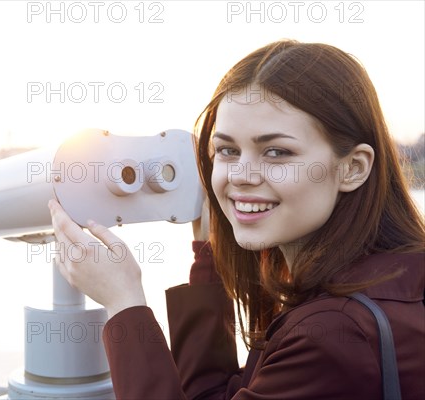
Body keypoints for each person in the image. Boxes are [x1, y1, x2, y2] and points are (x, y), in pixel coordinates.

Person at [48, 40, 425, 399]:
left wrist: (123, 302)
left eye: (276, 152)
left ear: (352, 169)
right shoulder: (391, 280)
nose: (240, 175)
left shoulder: (335, 332)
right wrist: (209, 253)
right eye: (227, 150)